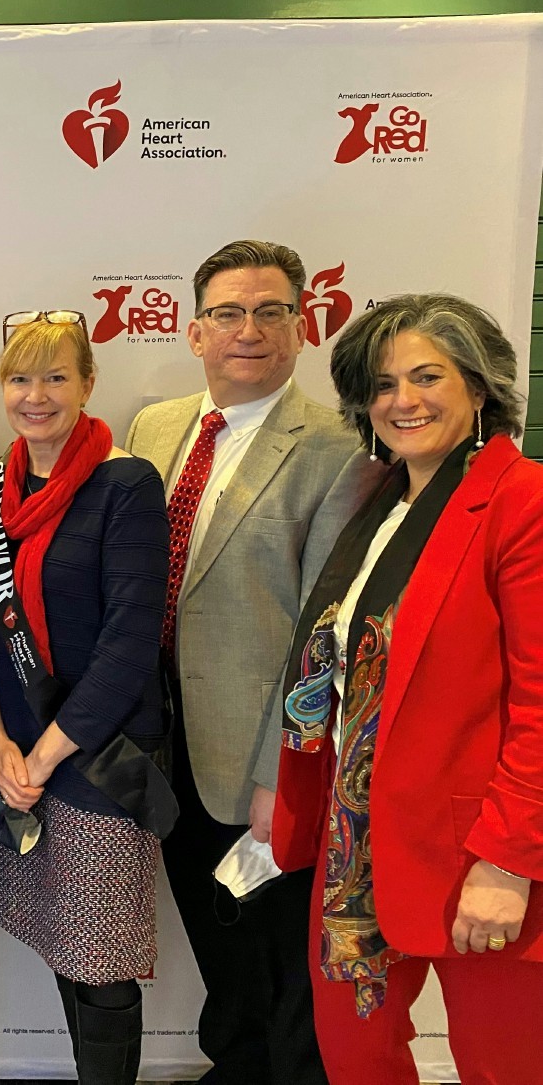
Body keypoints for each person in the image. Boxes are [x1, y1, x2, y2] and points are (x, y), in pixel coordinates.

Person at [274, 294, 543, 1084]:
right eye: (383, 384)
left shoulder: (522, 501)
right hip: (356, 841)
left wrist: (508, 863)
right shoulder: (378, 498)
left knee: (506, 1067)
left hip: (479, 852)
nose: (402, 401)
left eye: (427, 376)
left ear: (480, 386)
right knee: (356, 1061)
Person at [124, 239, 375, 1085]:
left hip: (263, 755)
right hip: (160, 739)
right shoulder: (154, 428)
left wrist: (284, 765)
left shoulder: (341, 448)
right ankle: (234, 1066)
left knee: (280, 958)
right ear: (195, 332)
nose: (250, 329)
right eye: (229, 312)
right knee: (213, 936)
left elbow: (325, 628)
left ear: (301, 327)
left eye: (271, 311)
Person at [0, 312, 174, 1084]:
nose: (37, 394)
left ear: (88, 383)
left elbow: (130, 641)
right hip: (17, 752)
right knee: (63, 936)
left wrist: (46, 754)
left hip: (96, 753)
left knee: (102, 958)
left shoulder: (126, 483)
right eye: (21, 377)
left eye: (56, 376)